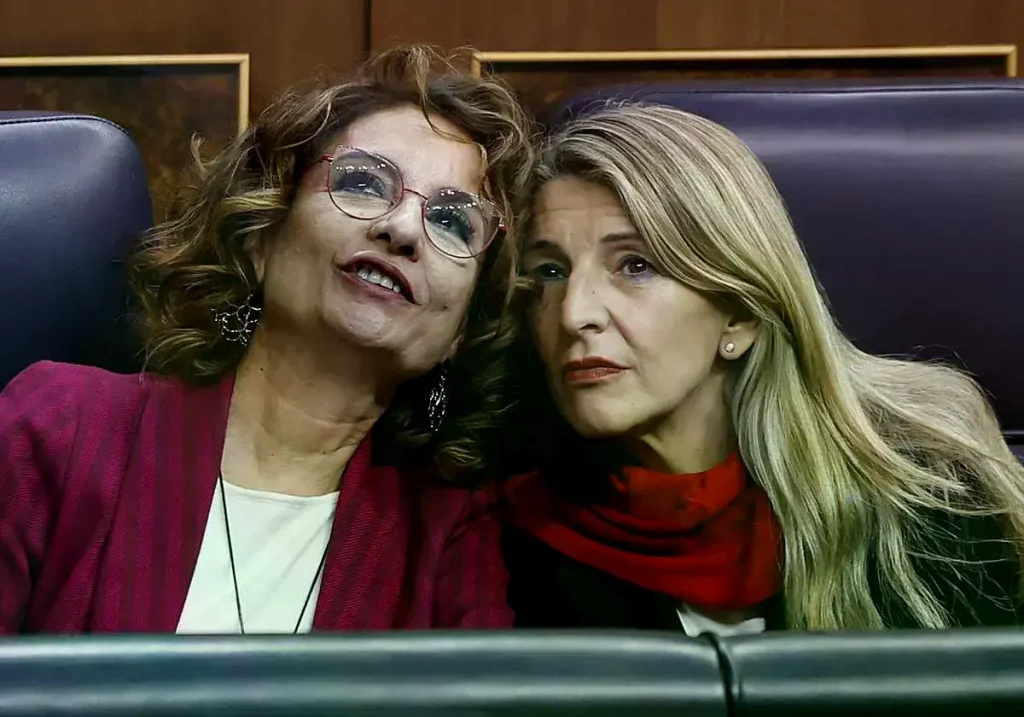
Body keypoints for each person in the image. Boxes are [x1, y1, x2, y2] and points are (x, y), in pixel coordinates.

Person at [0, 45, 536, 634]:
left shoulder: (451, 527)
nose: (403, 227)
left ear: (465, 325)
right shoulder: (56, 426)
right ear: (261, 233)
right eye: (363, 182)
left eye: (453, 221)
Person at [502, 102, 1024, 633]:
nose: (574, 313)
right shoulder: (513, 534)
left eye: (636, 266)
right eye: (549, 271)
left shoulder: (925, 491)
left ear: (740, 317)